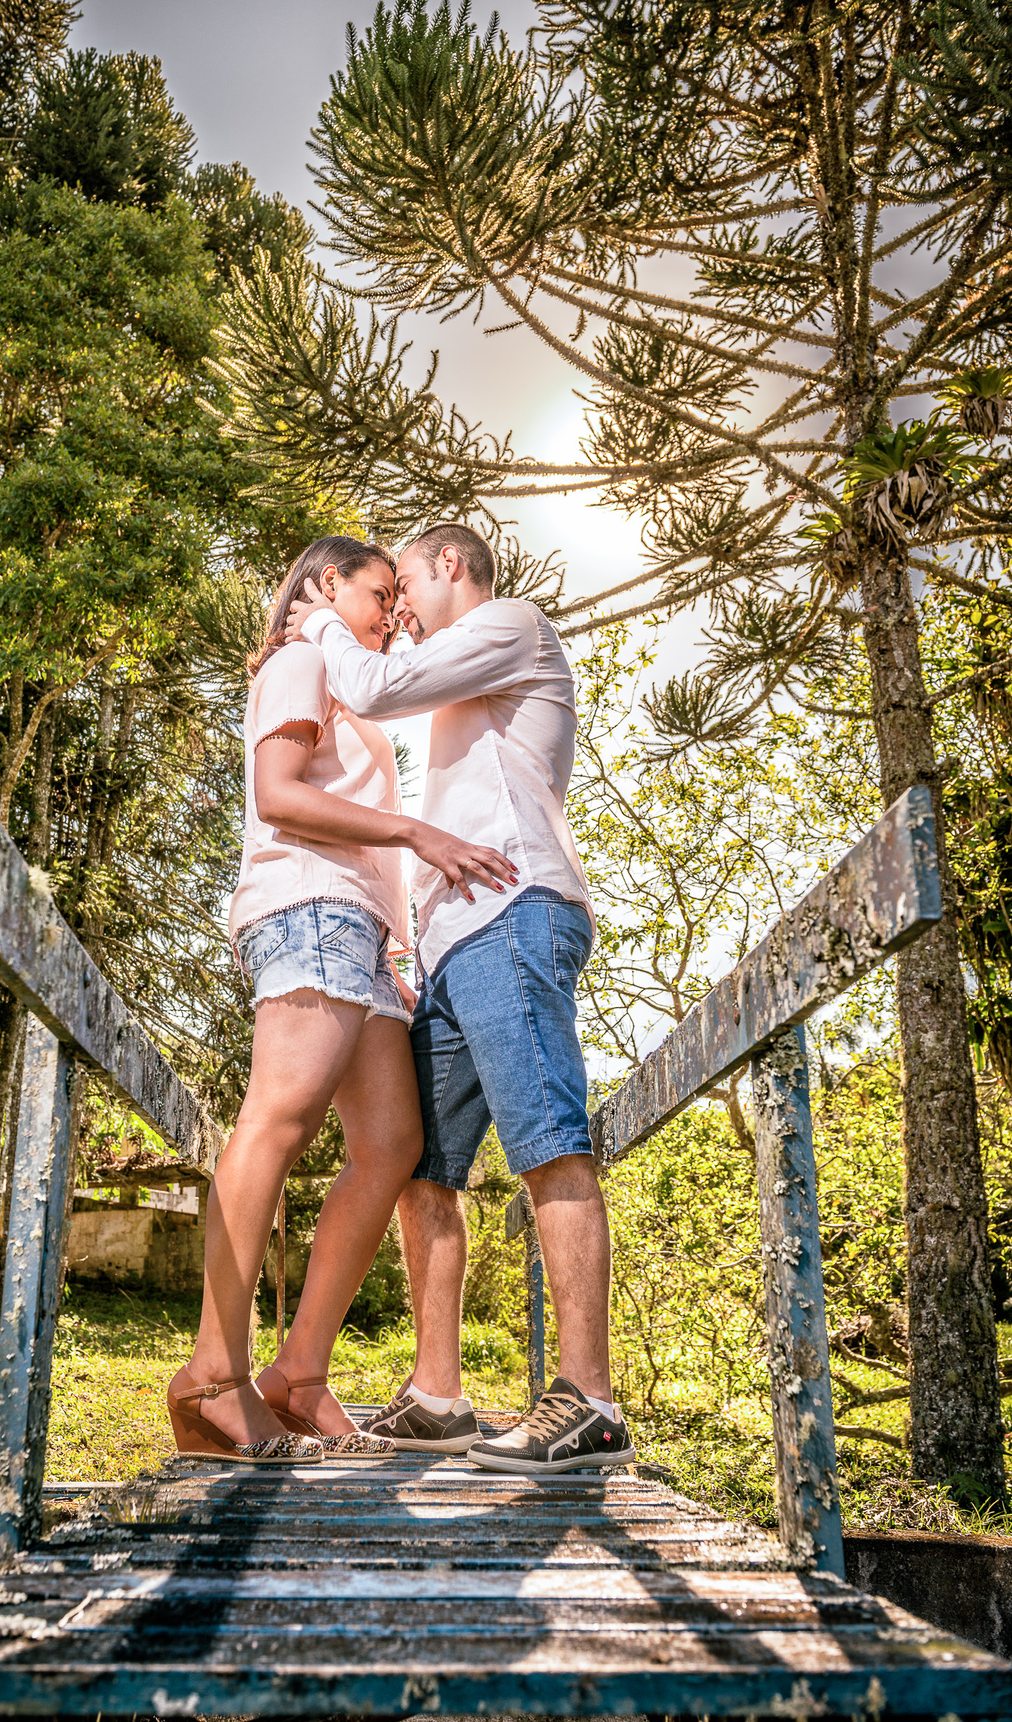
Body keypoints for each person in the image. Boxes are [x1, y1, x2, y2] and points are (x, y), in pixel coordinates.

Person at [285, 522, 636, 1474]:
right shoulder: (456, 671)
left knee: (547, 1140)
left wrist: (323, 619)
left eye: (402, 581)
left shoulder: (512, 624)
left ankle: (588, 1397)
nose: (394, 602)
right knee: (423, 1167)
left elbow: (372, 686)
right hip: (452, 945)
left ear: (449, 565)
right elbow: (399, 686)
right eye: (381, 592)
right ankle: (438, 1394)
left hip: (514, 911)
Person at [167, 534, 516, 1462]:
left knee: (393, 1143)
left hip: (362, 932)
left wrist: (398, 942)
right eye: (377, 592)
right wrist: (416, 830)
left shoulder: (351, 684)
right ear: (327, 586)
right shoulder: (300, 658)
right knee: (278, 1117)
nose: (391, 611)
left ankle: (300, 1372)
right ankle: (211, 1375)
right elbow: (278, 795)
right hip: (307, 903)